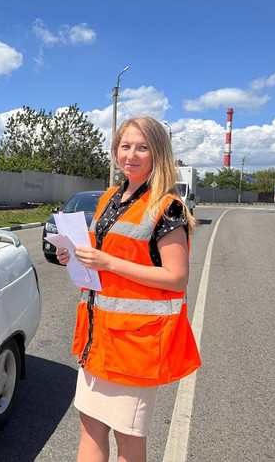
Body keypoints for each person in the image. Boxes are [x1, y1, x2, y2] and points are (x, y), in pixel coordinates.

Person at [56, 116, 200, 462]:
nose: (131, 155)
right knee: (89, 428)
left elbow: (176, 277)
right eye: (125, 146)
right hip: (98, 339)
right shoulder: (108, 198)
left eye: (142, 147)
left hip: (136, 346)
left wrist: (107, 263)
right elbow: (99, 256)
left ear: (157, 154)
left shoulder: (167, 207)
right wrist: (71, 255)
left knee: (129, 440)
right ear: (115, 151)